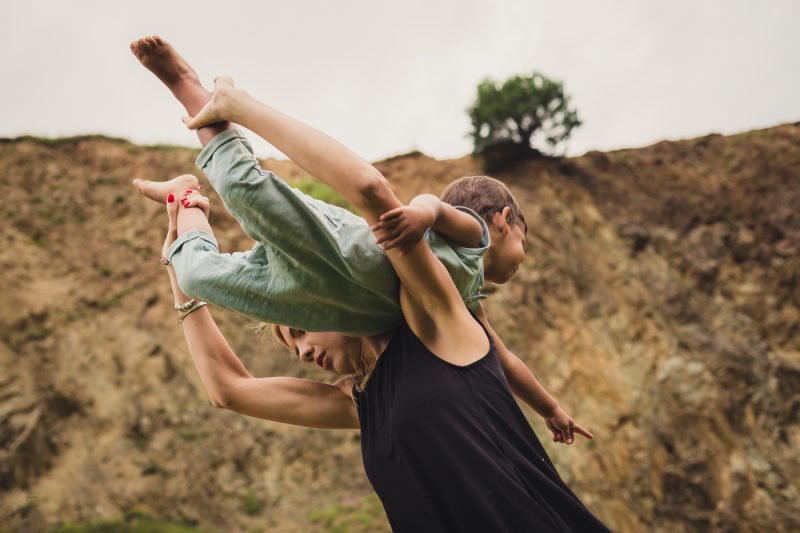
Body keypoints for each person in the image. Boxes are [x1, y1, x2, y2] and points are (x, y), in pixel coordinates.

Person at [130, 35, 591, 445]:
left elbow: (504, 358)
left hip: (351, 268)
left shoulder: (453, 302)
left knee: (217, 238)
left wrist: (550, 408)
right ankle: (190, 94)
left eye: (298, 328)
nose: (304, 352)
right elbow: (227, 390)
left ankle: (190, 181)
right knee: (222, 230)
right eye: (296, 331)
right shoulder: (451, 272)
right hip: (348, 262)